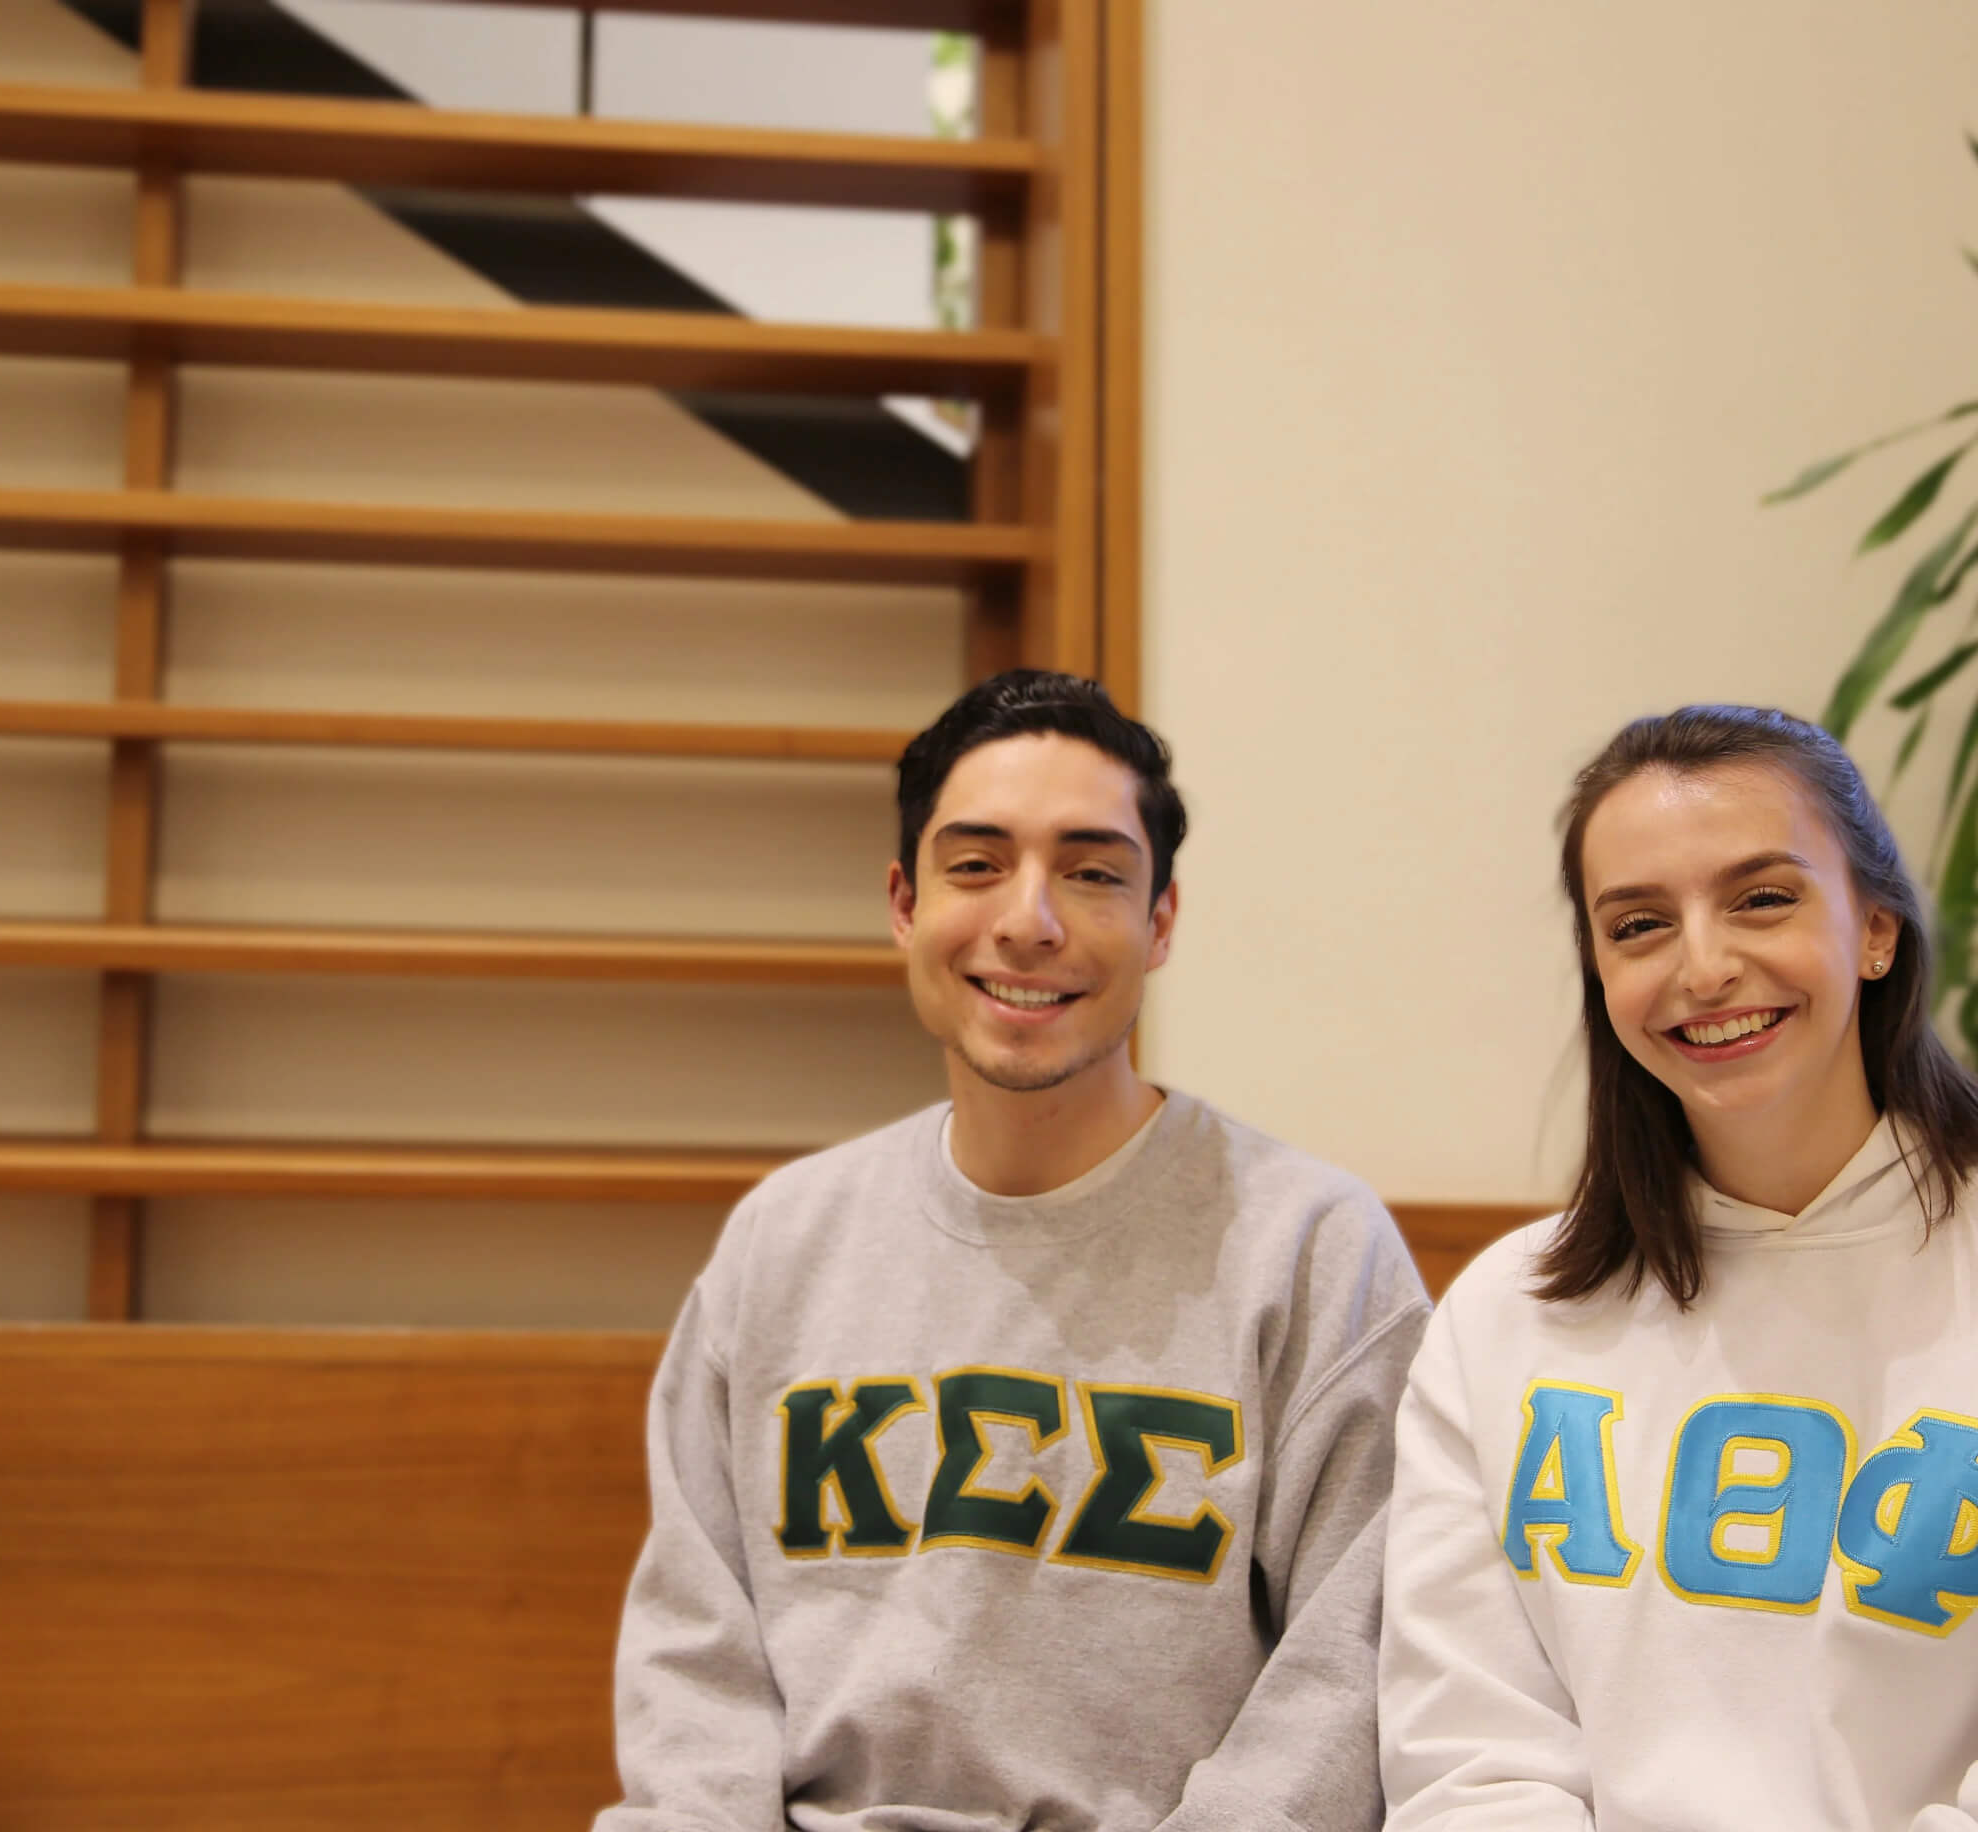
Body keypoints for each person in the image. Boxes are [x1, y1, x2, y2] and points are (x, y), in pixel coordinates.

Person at [1379, 704, 1978, 1831]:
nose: (1703, 965)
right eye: (1639, 924)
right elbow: (1467, 1764)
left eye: (1762, 897)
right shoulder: (1502, 1316)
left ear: (1875, 926)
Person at [599, 669, 1430, 1832]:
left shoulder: (1314, 1249)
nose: (1029, 919)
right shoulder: (782, 1238)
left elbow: (1348, 1669)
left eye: (1092, 872)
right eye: (976, 863)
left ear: (1162, 919)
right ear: (903, 901)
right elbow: (697, 1652)